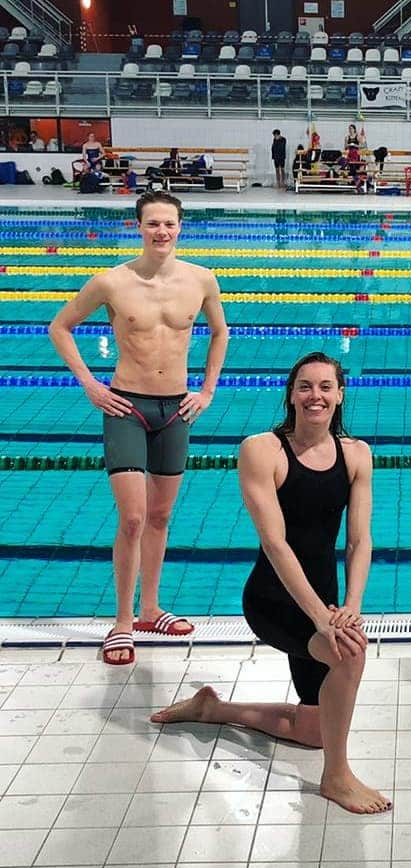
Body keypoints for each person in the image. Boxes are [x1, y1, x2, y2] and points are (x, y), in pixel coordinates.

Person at [151, 352, 391, 816]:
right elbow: (276, 543)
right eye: (305, 386)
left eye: (325, 387)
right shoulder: (262, 450)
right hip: (273, 599)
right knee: (351, 654)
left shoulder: (356, 455)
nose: (315, 396)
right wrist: (322, 619)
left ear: (340, 395)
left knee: (313, 732)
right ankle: (337, 777)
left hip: (322, 600)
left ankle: (212, 709)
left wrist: (350, 606)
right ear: (291, 394)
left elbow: (360, 541)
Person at [48, 192, 229, 665]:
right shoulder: (112, 281)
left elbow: (219, 332)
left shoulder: (201, 280)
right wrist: (90, 384)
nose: (161, 232)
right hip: (125, 405)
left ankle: (151, 609)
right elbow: (60, 327)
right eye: (153, 224)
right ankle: (123, 624)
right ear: (139, 227)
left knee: (160, 517)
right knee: (132, 518)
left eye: (169, 223)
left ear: (180, 227)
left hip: (176, 409)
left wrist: (207, 391)